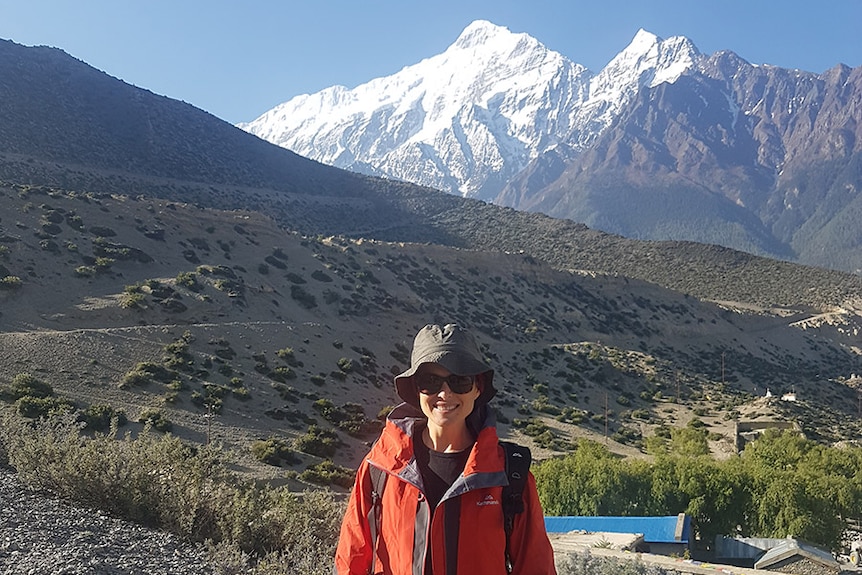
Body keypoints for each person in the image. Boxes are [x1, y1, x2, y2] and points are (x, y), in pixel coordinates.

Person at [335, 323, 557, 575]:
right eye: (430, 381)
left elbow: (536, 567)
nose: (445, 393)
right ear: (416, 388)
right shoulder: (381, 467)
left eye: (459, 381)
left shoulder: (510, 474)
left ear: (477, 387)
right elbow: (349, 560)